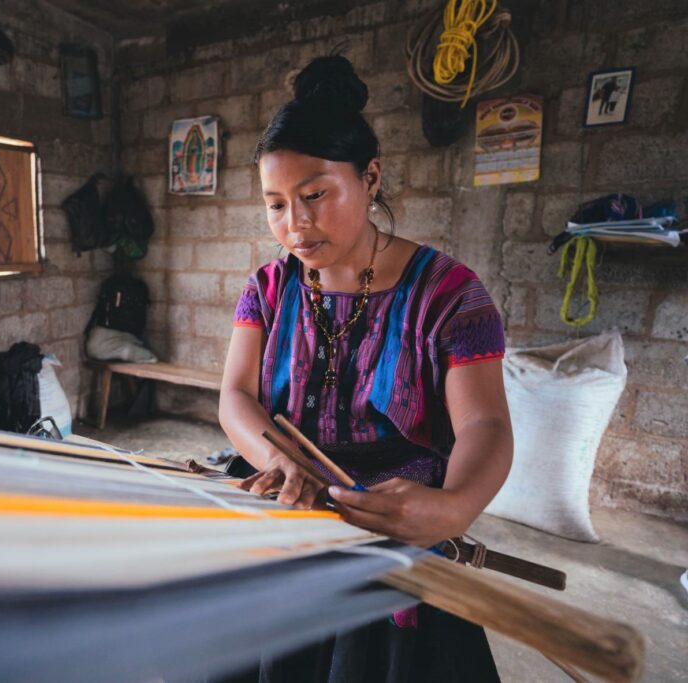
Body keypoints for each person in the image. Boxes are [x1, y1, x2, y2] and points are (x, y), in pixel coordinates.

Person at [217, 55, 513, 682]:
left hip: (392, 525)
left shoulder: (449, 294)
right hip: (287, 510)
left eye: (315, 196)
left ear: (371, 177)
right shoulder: (268, 288)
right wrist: (280, 461)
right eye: (275, 205)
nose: (294, 226)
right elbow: (236, 398)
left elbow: (484, 424)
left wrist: (453, 508)